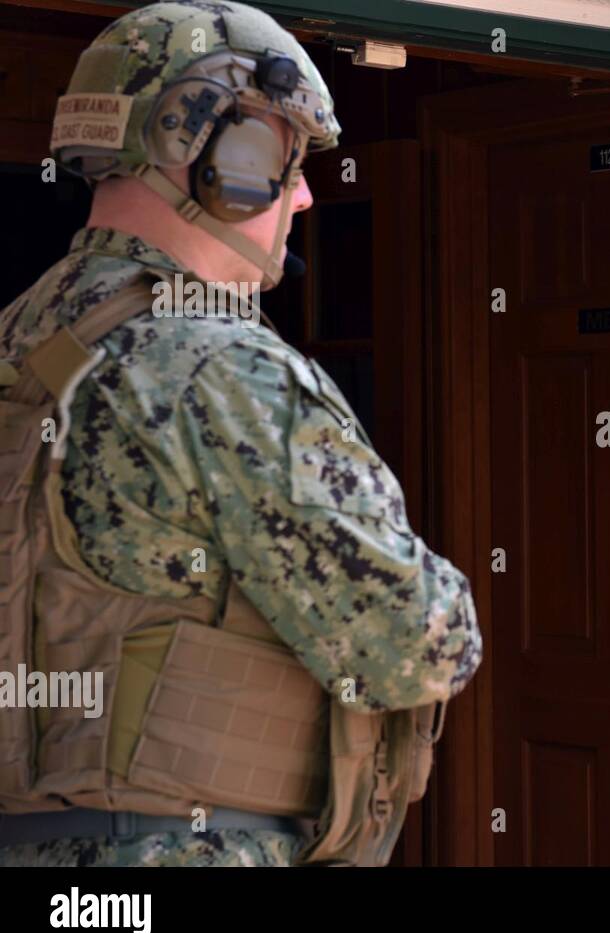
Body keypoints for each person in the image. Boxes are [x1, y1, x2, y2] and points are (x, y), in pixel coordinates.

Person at [0, 0, 481, 866]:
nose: (301, 192)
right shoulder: (217, 368)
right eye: (286, 158)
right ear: (222, 157)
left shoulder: (18, 339)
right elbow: (418, 640)